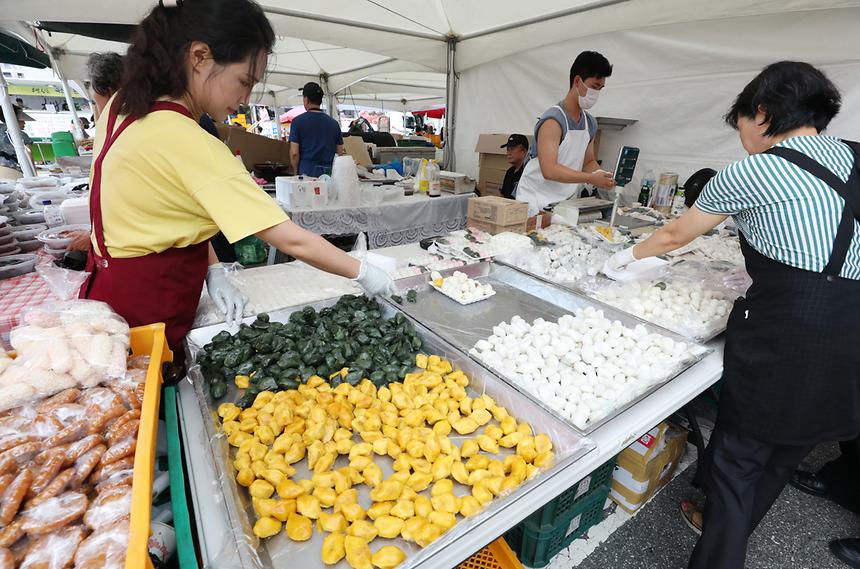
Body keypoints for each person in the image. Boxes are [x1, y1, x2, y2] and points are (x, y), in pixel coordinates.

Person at [605, 61, 860, 569]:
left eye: (741, 120)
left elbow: (676, 234)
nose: (741, 132)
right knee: (785, 452)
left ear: (761, 112)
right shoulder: (855, 157)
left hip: (790, 332)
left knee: (736, 462)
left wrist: (619, 262)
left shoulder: (755, 169)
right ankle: (724, 526)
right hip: (851, 330)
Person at [80, 0, 393, 354]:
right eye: (243, 81)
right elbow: (293, 241)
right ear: (199, 56)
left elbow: (172, 208)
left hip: (106, 292)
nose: (244, 99)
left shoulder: (123, 104)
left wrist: (212, 268)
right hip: (146, 312)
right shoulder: (186, 137)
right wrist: (363, 272)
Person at [515, 51, 616, 215]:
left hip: (564, 205)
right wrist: (590, 178)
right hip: (535, 204)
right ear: (577, 81)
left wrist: (601, 176)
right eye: (594, 87)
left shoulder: (590, 123)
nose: (596, 94)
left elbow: (588, 160)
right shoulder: (553, 121)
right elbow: (549, 170)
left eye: (601, 89)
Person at [288, 81, 343, 176]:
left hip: (307, 172)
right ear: (320, 100)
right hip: (328, 174)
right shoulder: (334, 124)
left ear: (306, 99)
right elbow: (339, 152)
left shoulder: (297, 122)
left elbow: (294, 154)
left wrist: (296, 174)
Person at [0, 104, 34, 171]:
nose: (24, 123)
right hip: (13, 170)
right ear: (14, 119)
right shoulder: (22, 135)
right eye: (22, 120)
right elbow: (29, 159)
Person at [499, 134, 529, 199]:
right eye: (507, 149)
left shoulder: (529, 173)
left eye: (512, 149)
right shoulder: (509, 172)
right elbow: (503, 195)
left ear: (523, 152)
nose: (508, 153)